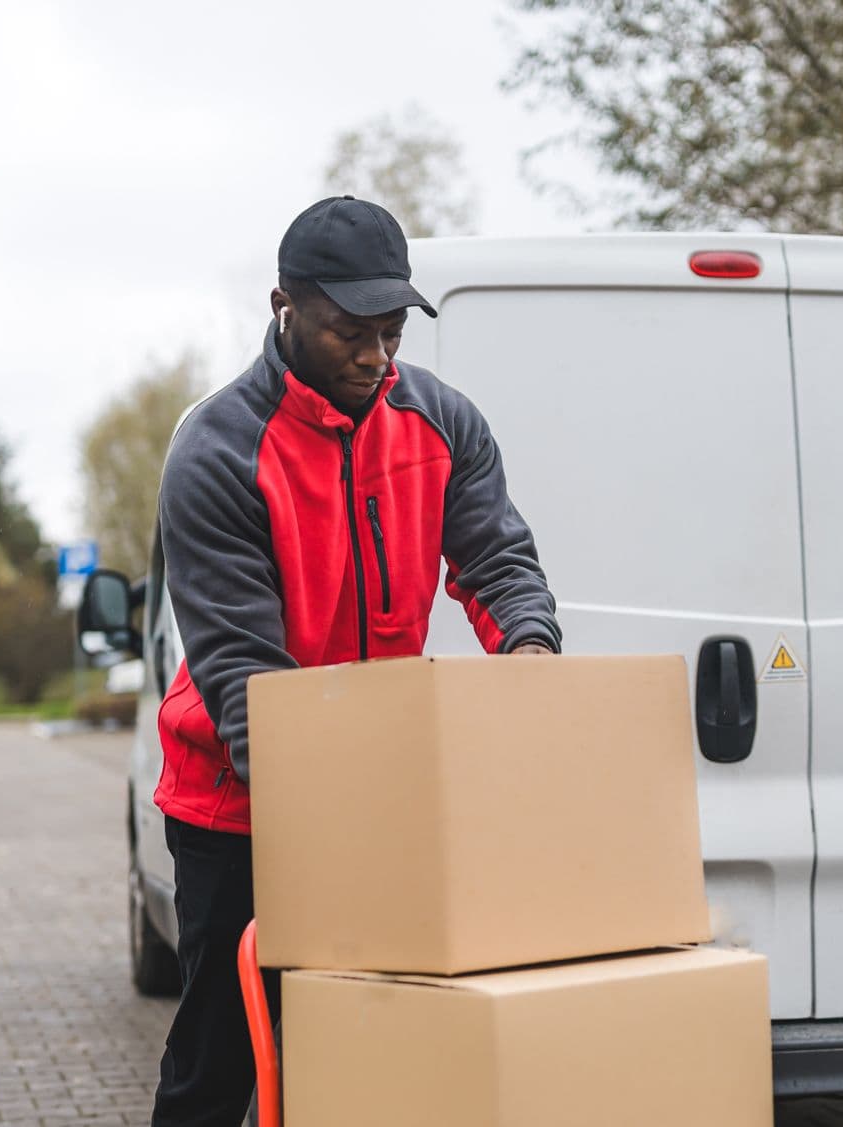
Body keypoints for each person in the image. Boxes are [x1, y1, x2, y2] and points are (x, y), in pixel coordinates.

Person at [150, 195, 561, 1127]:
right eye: (350, 333)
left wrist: (529, 653)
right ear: (284, 307)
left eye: (390, 331)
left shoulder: (441, 422)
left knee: (363, 1054)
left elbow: (497, 560)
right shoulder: (217, 452)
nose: (376, 357)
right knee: (222, 1059)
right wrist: (339, 826)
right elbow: (248, 678)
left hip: (380, 791)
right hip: (239, 805)